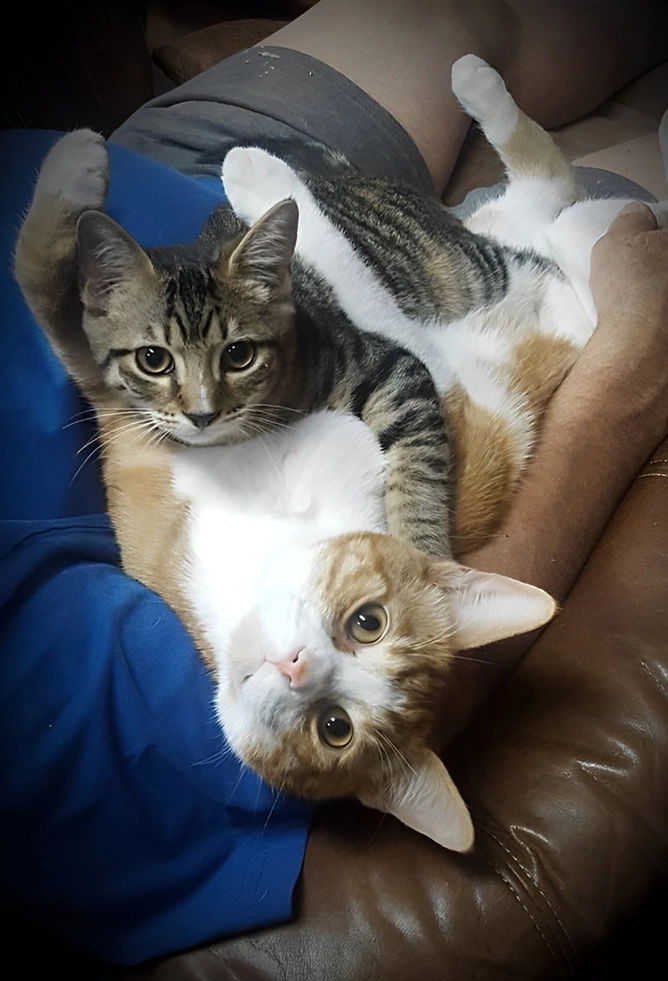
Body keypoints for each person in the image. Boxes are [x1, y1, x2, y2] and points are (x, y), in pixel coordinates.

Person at [2, 0, 668, 967]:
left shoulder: (208, 570)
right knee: (608, 209)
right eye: (332, 702)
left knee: (464, 21)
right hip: (424, 299)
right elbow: (424, 661)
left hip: (184, 229)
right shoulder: (87, 722)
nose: (299, 669)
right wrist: (621, 388)